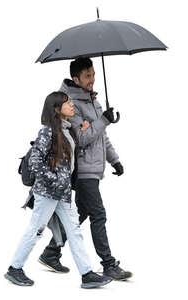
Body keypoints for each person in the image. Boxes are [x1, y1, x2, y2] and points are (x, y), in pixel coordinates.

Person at [4, 91, 112, 288]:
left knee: (75, 231)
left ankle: (87, 274)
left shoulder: (68, 130)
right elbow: (35, 161)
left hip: (63, 194)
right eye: (67, 102)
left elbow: (68, 160)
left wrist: (84, 134)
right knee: (35, 230)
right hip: (47, 193)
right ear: (56, 109)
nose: (71, 105)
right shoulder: (48, 132)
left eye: (70, 101)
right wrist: (53, 180)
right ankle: (14, 268)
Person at [39, 58, 133, 281]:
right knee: (98, 214)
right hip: (82, 169)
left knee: (80, 214)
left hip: (95, 168)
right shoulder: (70, 104)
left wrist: (114, 160)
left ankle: (51, 252)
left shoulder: (92, 100)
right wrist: (104, 120)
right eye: (88, 75)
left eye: (93, 74)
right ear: (76, 79)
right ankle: (108, 263)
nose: (92, 79)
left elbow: (101, 135)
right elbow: (82, 137)